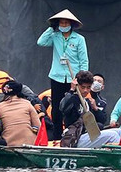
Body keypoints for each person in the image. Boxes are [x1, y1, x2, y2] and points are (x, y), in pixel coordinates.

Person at [37, 8, 88, 141]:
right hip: (57, 76)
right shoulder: (55, 36)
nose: (64, 25)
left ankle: (73, 135)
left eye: (66, 23)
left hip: (73, 78)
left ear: (71, 24)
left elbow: (83, 60)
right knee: (56, 109)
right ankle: (57, 137)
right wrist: (51, 28)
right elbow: (41, 42)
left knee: (72, 107)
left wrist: (81, 79)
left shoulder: (79, 39)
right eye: (61, 23)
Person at [59, 70, 114, 148]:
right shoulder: (72, 99)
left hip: (87, 136)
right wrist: (71, 90)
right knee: (112, 135)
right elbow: (62, 107)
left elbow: (101, 121)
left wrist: (96, 109)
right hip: (74, 138)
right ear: (77, 86)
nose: (85, 90)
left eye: (88, 87)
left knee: (118, 131)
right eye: (83, 87)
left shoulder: (87, 102)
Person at [0, 80, 40, 147]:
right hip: (30, 144)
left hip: (9, 145)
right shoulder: (27, 103)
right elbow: (38, 126)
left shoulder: (0, 106)